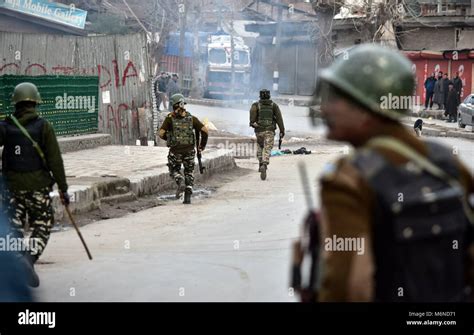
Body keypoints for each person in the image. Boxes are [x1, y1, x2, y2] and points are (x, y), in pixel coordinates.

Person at [295, 44, 474, 302]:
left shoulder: (350, 179)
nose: (325, 109)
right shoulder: (446, 162)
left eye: (336, 99)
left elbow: (349, 289)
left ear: (365, 109)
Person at [0, 82, 69, 287]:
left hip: (11, 187)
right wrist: (63, 189)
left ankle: (18, 260)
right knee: (43, 223)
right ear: (35, 102)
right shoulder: (44, 127)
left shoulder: (5, 126)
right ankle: (28, 259)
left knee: (13, 227)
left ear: (16, 103)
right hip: (38, 187)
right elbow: (55, 160)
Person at [157, 94, 208, 204]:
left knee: (173, 170)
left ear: (173, 105)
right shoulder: (192, 118)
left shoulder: (170, 118)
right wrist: (202, 146)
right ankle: (188, 189)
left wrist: (169, 138)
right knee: (189, 172)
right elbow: (205, 131)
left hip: (175, 151)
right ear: (183, 104)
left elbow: (161, 133)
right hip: (189, 151)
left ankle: (180, 181)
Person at [249, 89, 285, 180]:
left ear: (260, 96)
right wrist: (282, 130)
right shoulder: (274, 106)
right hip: (269, 131)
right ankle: (264, 164)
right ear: (269, 96)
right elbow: (279, 119)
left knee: (260, 147)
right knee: (267, 148)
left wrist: (254, 124)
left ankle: (260, 163)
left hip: (259, 132)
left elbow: (252, 121)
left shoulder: (255, 105)